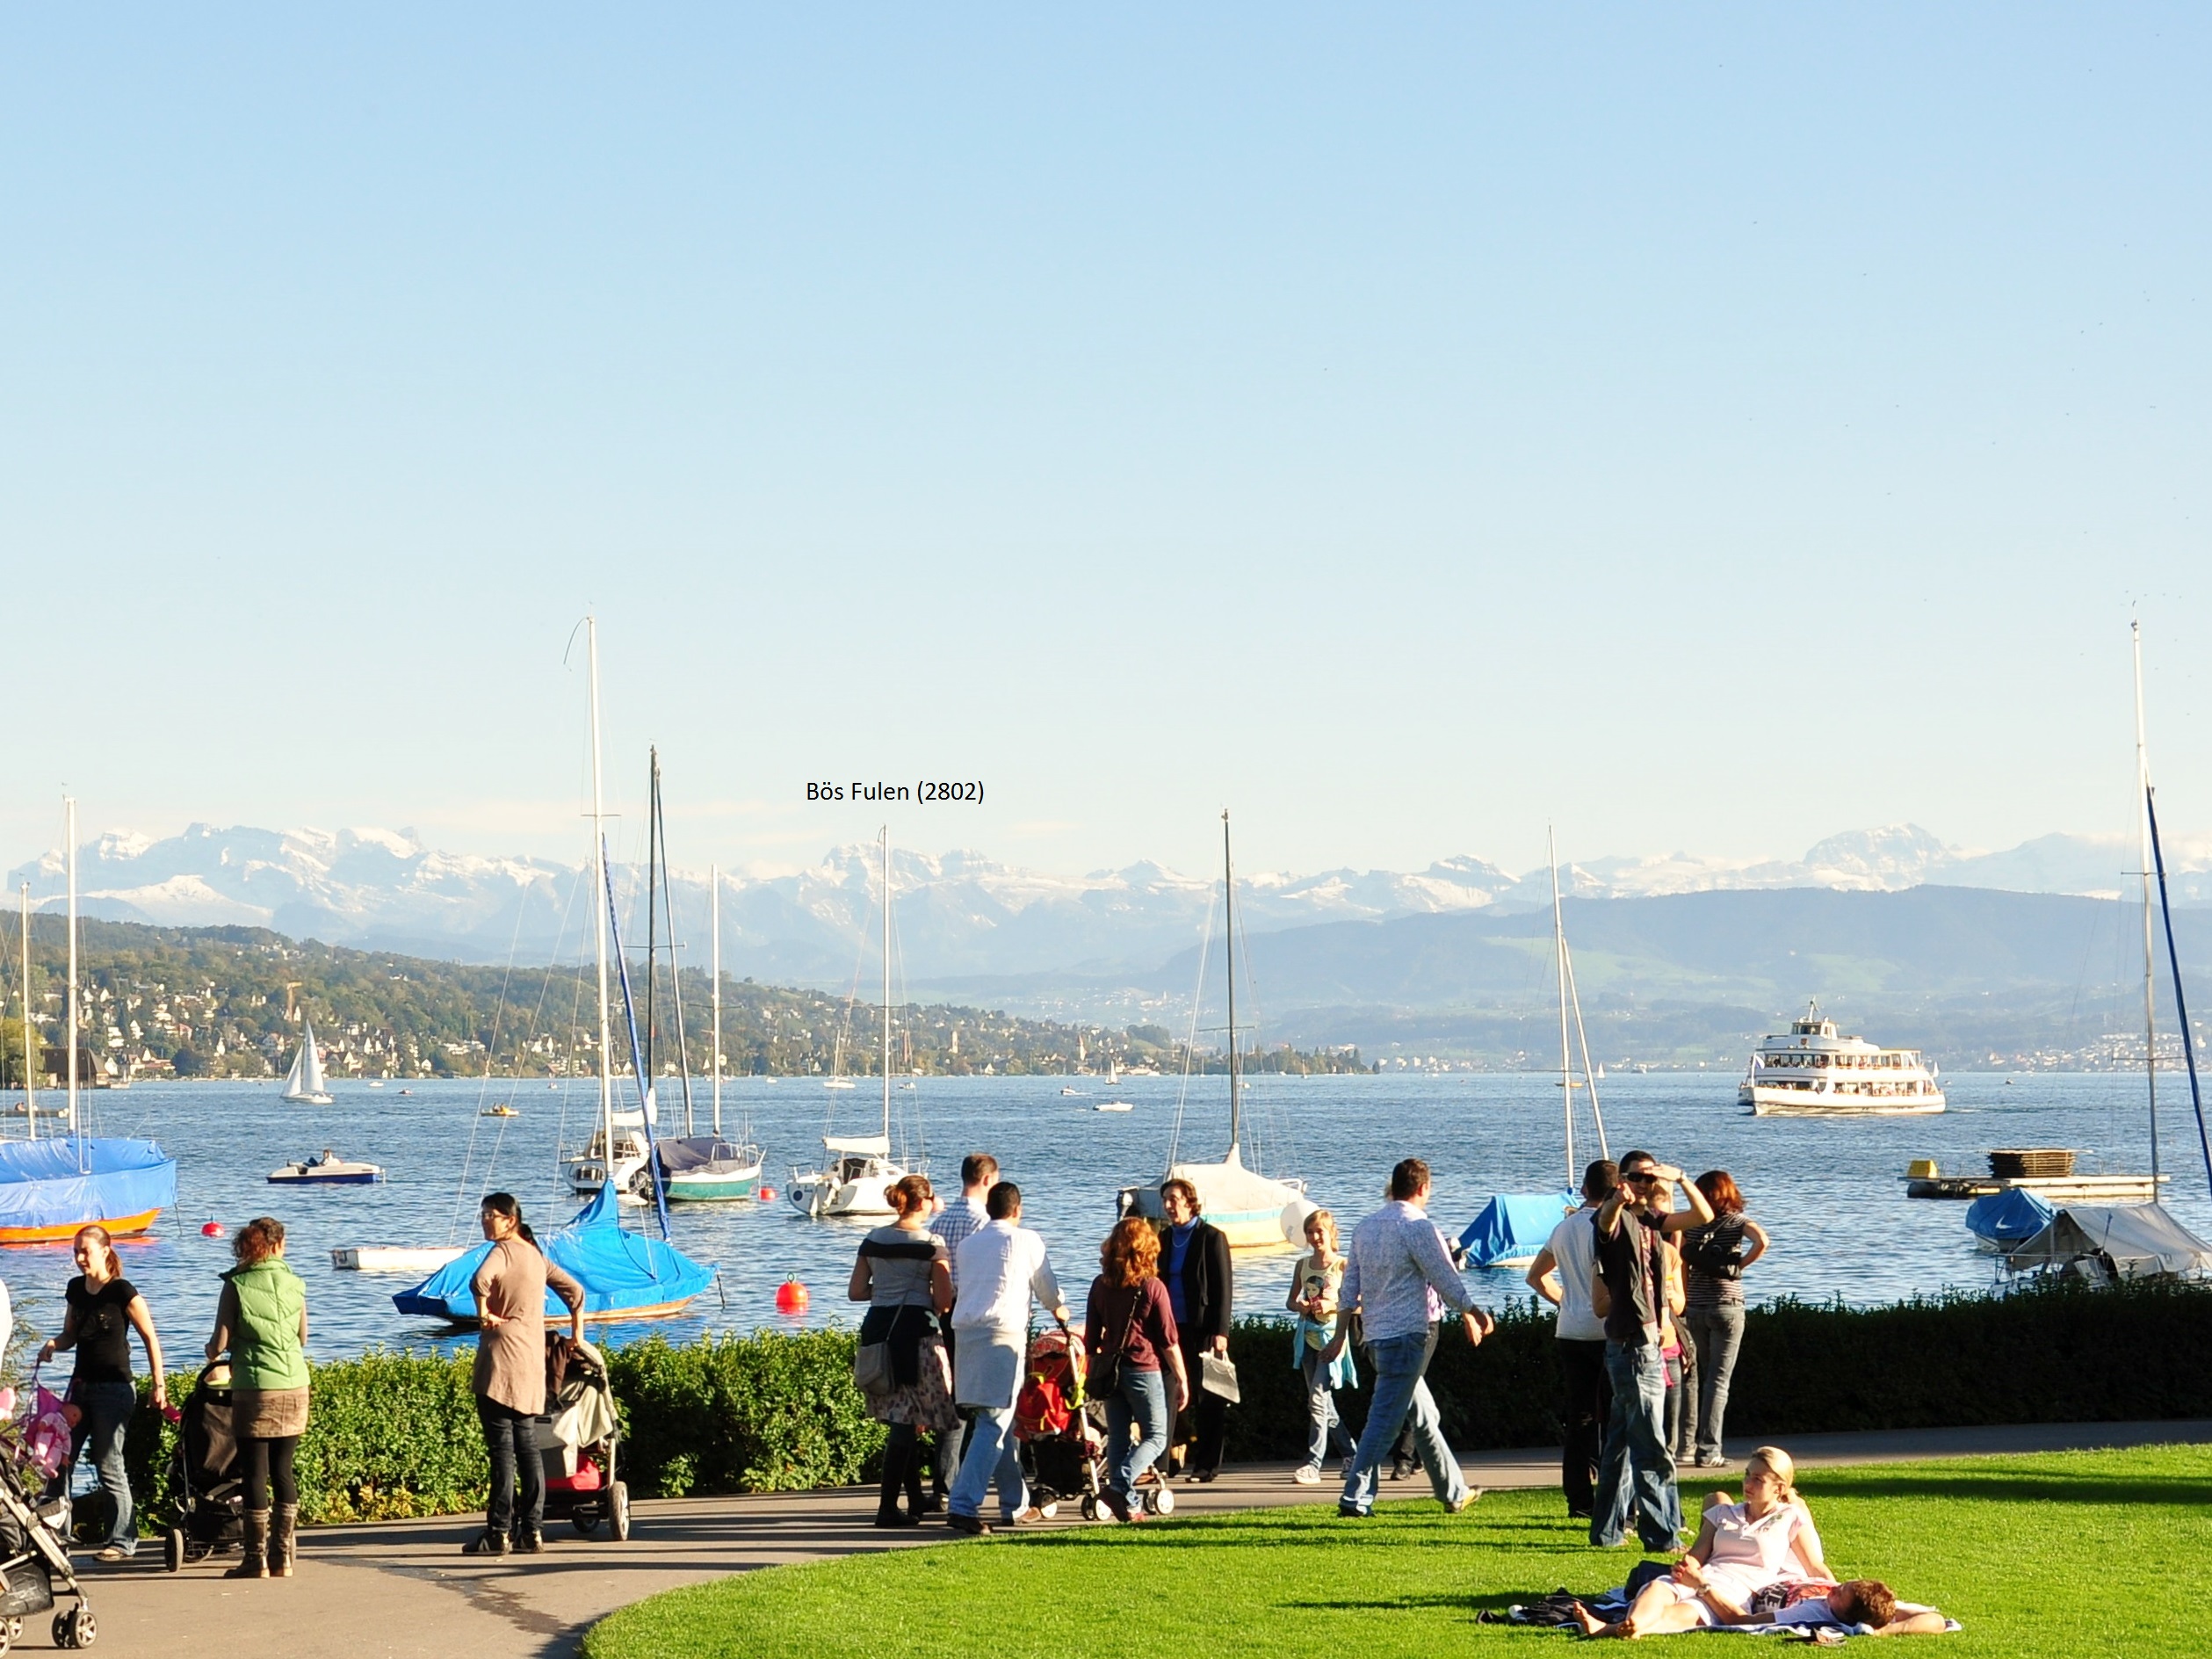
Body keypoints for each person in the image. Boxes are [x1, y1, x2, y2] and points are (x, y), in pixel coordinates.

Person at [1326, 1158, 1493, 1518]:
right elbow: (1444, 1276)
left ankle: (1454, 1492)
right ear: (1423, 1188)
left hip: (1375, 1338)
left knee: (1424, 1414)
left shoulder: (1365, 1228)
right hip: (1409, 1337)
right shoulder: (1418, 1227)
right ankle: (1354, 1499)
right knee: (1383, 1422)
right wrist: (1473, 1310)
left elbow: (1349, 1288)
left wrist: (1340, 1336)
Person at [1589, 1148, 1714, 1552]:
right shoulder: (1614, 1217)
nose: (1646, 1184)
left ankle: (1606, 1532)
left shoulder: (1650, 1221)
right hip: (1633, 1346)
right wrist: (1616, 1199)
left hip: (1642, 1345)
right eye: (1637, 1178)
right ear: (1622, 1180)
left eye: (1650, 1178)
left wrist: (1679, 1179)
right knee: (1652, 1449)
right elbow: (1604, 1221)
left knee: (1621, 1444)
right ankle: (1662, 1537)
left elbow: (1703, 1217)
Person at [1572, 1446, 1827, 1638]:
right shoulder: (1725, 1513)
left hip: (1736, 1590)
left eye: (1758, 1480)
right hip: (1705, 1573)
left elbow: (1815, 1566)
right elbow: (1698, 1552)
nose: (1747, 1483)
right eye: (1747, 1475)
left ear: (1779, 1488)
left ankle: (1613, 1629)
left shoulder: (1791, 1517)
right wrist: (1688, 1565)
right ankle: (1632, 1625)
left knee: (1684, 1613)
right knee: (1656, 1590)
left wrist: (1836, 1594)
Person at [37, 1223, 166, 1561]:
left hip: (115, 1389)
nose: (79, 1257)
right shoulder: (75, 1290)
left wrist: (158, 1384)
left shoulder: (122, 1291)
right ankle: (55, 1537)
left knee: (109, 1463)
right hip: (80, 1388)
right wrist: (53, 1344)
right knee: (59, 1461)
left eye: (85, 1251)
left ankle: (122, 1541)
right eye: (76, 1250)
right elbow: (70, 1335)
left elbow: (150, 1338)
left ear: (105, 1251)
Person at [466, 1193, 585, 1555]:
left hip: (500, 1362)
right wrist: (577, 1334)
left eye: (492, 1215)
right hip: (532, 1364)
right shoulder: (536, 1256)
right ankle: (532, 1531)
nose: (486, 1220)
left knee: (502, 1451)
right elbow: (576, 1292)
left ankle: (498, 1532)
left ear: (511, 1220)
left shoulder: (501, 1252)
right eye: (484, 1214)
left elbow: (478, 1282)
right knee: (529, 1447)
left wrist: (485, 1313)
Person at [947, 1181, 1066, 1535]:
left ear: (990, 1209)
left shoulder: (968, 1245)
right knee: (995, 1423)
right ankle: (963, 1504)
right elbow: (1045, 1284)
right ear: (1018, 1210)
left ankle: (1014, 1504)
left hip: (966, 1336)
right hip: (1002, 1336)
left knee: (995, 1419)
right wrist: (1059, 1309)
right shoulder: (1025, 1239)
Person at [848, 1173, 958, 1527]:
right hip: (918, 1334)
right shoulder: (931, 1244)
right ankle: (887, 1507)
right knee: (907, 1421)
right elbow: (943, 1300)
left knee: (900, 1417)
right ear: (923, 1203)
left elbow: (856, 1292)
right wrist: (921, 1293)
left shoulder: (873, 1240)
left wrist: (885, 1292)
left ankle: (912, 1502)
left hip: (878, 1330)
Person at [204, 1217, 310, 1578]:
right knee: (283, 1470)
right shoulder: (296, 1283)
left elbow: (219, 1342)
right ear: (278, 1245)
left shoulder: (237, 1285)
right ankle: (284, 1559)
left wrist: (212, 1350)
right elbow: (302, 1337)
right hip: (295, 1384)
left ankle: (255, 1558)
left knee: (254, 1472)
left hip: (256, 1387)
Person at [1527, 1159, 1617, 1519]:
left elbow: (1536, 1277)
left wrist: (1564, 1300)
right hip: (1606, 1329)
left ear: (1584, 1190)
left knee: (1579, 1419)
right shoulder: (1610, 1227)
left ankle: (1578, 1499)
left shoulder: (1563, 1228)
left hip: (1570, 1329)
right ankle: (1614, 1498)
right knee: (1614, 1418)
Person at [1083, 1216, 1187, 1521]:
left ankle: (1129, 1505)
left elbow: (1091, 1337)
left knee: (1117, 1437)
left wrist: (1091, 1371)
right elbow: (1169, 1340)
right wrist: (1182, 1378)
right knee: (1156, 1437)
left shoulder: (1099, 1285)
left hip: (1111, 1371)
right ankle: (1118, 1485)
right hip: (1144, 1369)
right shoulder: (1153, 1287)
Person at [1680, 1170, 1768, 1469]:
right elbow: (1762, 1241)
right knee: (1719, 1381)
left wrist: (1685, 1298)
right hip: (1728, 1304)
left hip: (1696, 1306)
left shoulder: (1692, 1223)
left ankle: (1685, 1446)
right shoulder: (1738, 1222)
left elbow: (1682, 1262)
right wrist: (1740, 1265)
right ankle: (1709, 1451)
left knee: (1700, 1376)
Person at [927, 1152, 998, 1496]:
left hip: (944, 1312)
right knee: (980, 1402)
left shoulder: (939, 1221)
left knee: (952, 1397)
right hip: (973, 1313)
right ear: (987, 1180)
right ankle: (965, 1481)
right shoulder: (985, 1222)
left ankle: (944, 1480)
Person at [1158, 1177, 1233, 1482]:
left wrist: (1221, 1331)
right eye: (1165, 1200)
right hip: (1170, 1331)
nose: (1168, 1206)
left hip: (1203, 1329)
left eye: (1174, 1199)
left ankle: (1207, 1464)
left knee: (1208, 1398)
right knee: (1168, 1394)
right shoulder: (1163, 1238)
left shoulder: (1211, 1237)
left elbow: (1223, 1287)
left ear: (1189, 1202)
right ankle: (1167, 1460)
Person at [1285, 1208, 1356, 1485]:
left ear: (1331, 1233)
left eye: (1320, 1232)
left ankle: (1313, 1464)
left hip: (1332, 1339)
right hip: (1307, 1339)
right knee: (1323, 1403)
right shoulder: (1302, 1265)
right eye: (1310, 1232)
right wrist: (1300, 1306)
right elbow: (1291, 1300)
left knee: (1317, 1399)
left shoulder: (1342, 1265)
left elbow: (1357, 1302)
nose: (1315, 1237)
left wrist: (1332, 1305)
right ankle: (1352, 1454)